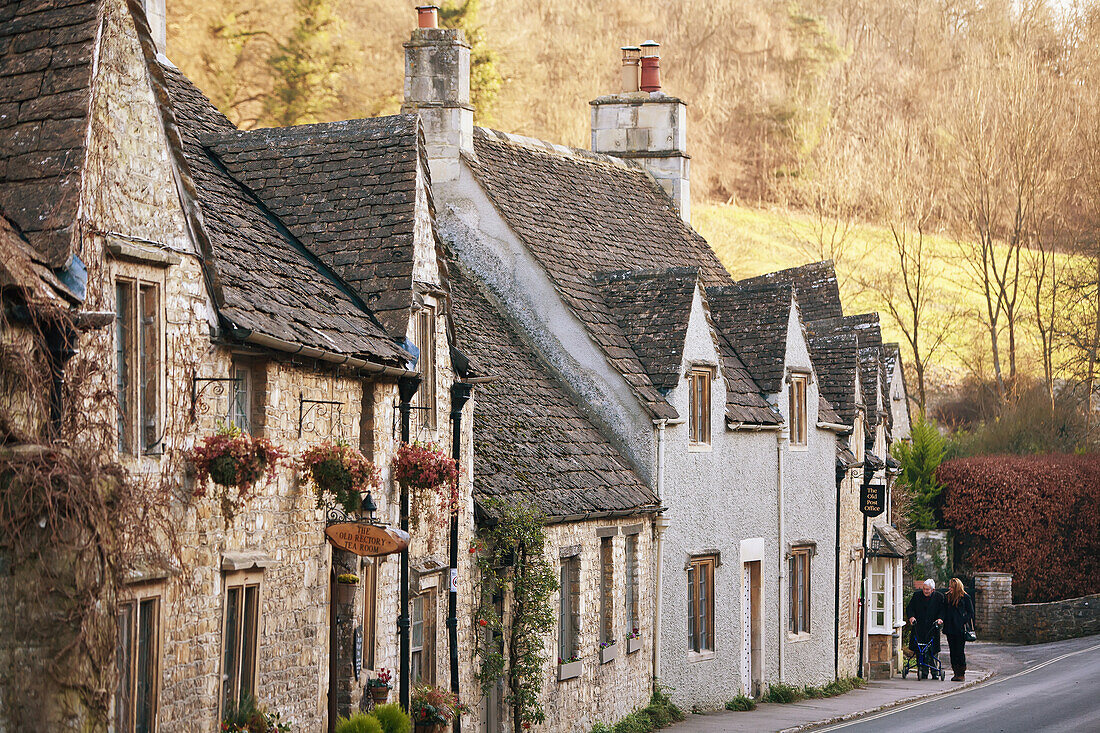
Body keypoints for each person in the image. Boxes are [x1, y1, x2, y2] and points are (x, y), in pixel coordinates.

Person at [905, 578, 945, 664]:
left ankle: (934, 671)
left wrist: (940, 619)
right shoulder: (917, 596)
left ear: (933, 590)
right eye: (924, 589)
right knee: (920, 649)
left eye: (927, 589)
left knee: (933, 650)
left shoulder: (939, 597)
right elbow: (910, 608)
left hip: (933, 627)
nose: (925, 591)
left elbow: (943, 610)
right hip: (919, 626)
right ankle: (922, 670)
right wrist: (911, 617)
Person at [943, 577, 976, 681]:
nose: (949, 588)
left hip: (960, 629)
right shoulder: (947, 597)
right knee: (952, 651)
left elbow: (970, 612)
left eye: (951, 587)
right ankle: (955, 672)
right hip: (949, 628)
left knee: (959, 651)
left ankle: (961, 673)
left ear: (956, 587)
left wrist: (962, 620)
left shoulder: (965, 597)